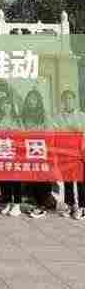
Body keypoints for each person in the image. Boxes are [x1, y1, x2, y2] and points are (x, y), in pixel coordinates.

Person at [51, 90, 85, 220]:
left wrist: (75, 130)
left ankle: (82, 207)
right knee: (67, 181)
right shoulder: (57, 117)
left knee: (81, 181)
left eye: (70, 98)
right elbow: (56, 132)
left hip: (79, 153)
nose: (68, 101)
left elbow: (82, 132)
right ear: (62, 102)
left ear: (74, 100)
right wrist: (73, 130)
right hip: (64, 153)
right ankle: (71, 205)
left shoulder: (82, 116)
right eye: (65, 99)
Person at [21, 89, 49, 219]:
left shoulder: (44, 114)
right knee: (32, 177)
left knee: (42, 177)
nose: (32, 101)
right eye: (30, 98)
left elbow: (49, 131)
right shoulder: (24, 114)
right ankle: (36, 203)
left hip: (41, 149)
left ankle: (42, 205)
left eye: (34, 98)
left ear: (38, 101)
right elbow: (21, 131)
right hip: (28, 149)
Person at [0, 96, 23, 217]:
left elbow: (23, 133)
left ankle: (17, 204)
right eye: (3, 104)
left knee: (15, 178)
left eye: (8, 103)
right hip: (3, 150)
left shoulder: (17, 119)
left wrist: (12, 131)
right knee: (5, 178)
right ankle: (7, 202)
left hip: (15, 151)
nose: (5, 106)